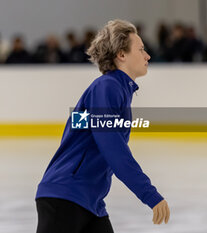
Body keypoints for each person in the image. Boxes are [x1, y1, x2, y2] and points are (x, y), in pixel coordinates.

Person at [35, 19, 170, 233]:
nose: (148, 56)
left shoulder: (118, 91)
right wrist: (150, 194)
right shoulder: (107, 87)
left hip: (91, 204)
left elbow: (83, 128)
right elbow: (114, 149)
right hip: (66, 197)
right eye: (142, 49)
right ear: (121, 55)